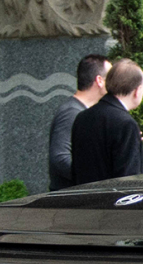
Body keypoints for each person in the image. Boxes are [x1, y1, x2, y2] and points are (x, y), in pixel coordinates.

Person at [62, 58, 143, 185]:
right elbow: (129, 179)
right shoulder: (126, 123)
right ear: (137, 90)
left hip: (85, 200)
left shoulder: (82, 117)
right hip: (112, 202)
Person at [46, 53, 111, 191]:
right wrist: (93, 178)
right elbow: (60, 158)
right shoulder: (71, 113)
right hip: (70, 202)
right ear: (99, 81)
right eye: (110, 78)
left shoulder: (85, 112)